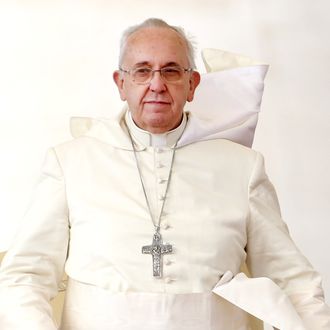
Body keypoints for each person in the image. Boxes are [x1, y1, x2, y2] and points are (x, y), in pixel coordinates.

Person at [0, 18, 329, 330]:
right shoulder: (71, 162)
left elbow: (292, 279)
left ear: (192, 84)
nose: (157, 84)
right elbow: (25, 275)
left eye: (171, 71)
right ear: (121, 83)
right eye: (143, 71)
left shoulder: (243, 167)